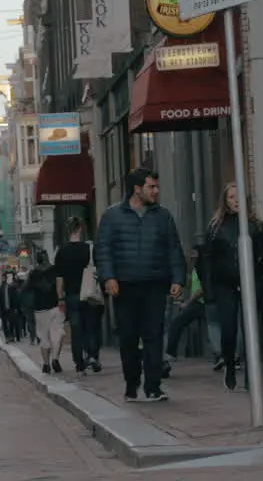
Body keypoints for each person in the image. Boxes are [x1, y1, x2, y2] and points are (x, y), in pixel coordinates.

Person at [95, 168, 186, 403]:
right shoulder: (112, 216)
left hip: (155, 284)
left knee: (154, 335)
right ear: (137, 189)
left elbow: (174, 250)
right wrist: (109, 277)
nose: (156, 191)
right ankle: (132, 382)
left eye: (156, 187)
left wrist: (177, 279)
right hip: (124, 286)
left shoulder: (163, 216)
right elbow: (103, 250)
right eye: (151, 187)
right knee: (128, 337)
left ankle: (154, 386)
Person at [200, 182, 261, 391]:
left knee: (250, 327)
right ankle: (230, 364)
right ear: (225, 201)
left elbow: (260, 256)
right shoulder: (216, 226)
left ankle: (250, 374)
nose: (235, 202)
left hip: (247, 283)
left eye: (238, 197)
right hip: (224, 283)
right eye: (231, 198)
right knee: (229, 329)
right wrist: (208, 290)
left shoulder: (253, 225)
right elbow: (206, 259)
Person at [53, 217, 102, 374]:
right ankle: (93, 355)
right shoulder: (89, 248)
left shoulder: (62, 251)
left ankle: (79, 363)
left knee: (76, 330)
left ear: (68, 230)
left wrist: (60, 296)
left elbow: (59, 278)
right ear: (80, 228)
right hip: (88, 293)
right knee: (91, 326)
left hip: (72, 295)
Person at [27, 250, 64, 373]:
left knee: (44, 337)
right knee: (57, 333)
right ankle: (55, 358)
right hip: (54, 306)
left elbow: (28, 291)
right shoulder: (55, 270)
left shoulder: (33, 274)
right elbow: (60, 288)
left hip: (39, 309)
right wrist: (61, 300)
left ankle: (46, 364)